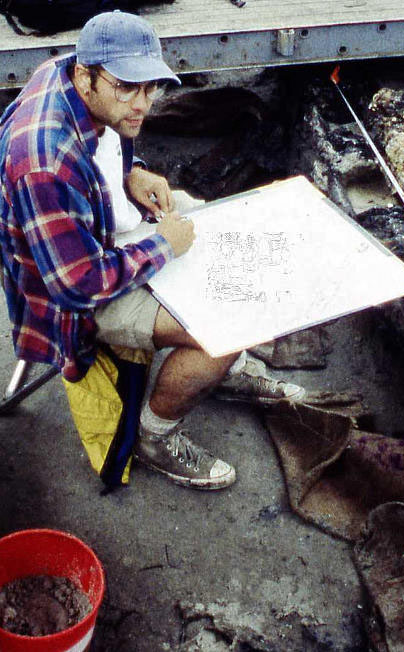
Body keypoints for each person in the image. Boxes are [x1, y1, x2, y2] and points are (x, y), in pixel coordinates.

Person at [0, 11, 303, 491]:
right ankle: (155, 435)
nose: (142, 105)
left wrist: (132, 169)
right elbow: (79, 287)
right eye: (127, 89)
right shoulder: (45, 162)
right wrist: (163, 246)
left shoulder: (77, 74)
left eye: (151, 87)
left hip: (107, 225)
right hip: (78, 288)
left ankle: (221, 370)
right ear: (86, 75)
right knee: (226, 323)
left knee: (231, 230)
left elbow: (112, 134)